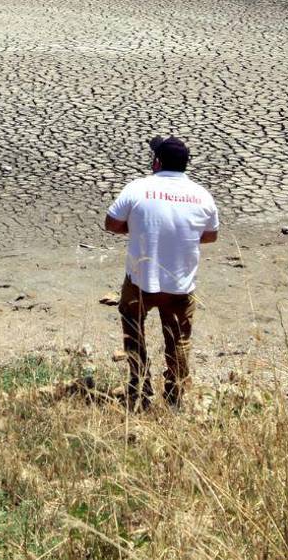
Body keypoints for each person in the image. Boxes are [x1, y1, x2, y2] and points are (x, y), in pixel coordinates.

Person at [103, 136, 219, 408]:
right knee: (179, 340)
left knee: (133, 329)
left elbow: (111, 223)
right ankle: (175, 394)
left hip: (140, 281)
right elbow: (210, 236)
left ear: (157, 162)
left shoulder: (138, 188)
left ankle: (140, 386)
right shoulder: (202, 195)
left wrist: (139, 228)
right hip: (181, 284)